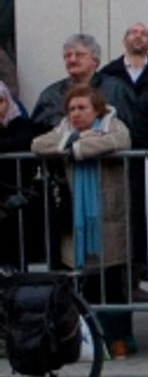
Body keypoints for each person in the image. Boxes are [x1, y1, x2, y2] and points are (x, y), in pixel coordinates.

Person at [31, 85, 135, 357]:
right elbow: (37, 144)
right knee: (82, 286)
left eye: (82, 108)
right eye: (71, 109)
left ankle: (119, 339)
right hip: (74, 220)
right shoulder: (64, 129)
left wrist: (74, 148)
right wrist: (75, 139)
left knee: (112, 284)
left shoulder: (113, 124)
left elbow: (119, 142)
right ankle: (87, 341)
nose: (76, 113)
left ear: (96, 110)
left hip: (108, 219)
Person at [32, 33, 138, 128]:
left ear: (95, 60)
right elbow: (36, 132)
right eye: (67, 56)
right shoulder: (50, 95)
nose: (72, 60)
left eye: (79, 55)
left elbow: (134, 128)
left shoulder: (117, 90)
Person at [0, 81, 49, 270]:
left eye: (0, 101)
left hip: (20, 202)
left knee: (18, 258)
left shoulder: (23, 126)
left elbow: (25, 140)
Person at [98, 22, 148, 96]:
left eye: (144, 34)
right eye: (134, 32)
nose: (138, 36)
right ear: (124, 42)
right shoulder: (109, 72)